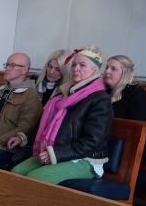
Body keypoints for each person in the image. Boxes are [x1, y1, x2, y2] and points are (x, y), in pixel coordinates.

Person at [12, 46, 113, 184]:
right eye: (74, 65)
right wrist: (23, 137)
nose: (76, 68)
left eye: (82, 65)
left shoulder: (100, 99)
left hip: (85, 160)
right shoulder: (65, 93)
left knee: (36, 177)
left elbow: (91, 142)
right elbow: (45, 124)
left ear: (95, 70)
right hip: (56, 151)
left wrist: (55, 154)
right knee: (16, 172)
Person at [104, 55, 146, 122]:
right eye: (106, 68)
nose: (107, 71)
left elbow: (138, 126)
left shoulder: (137, 94)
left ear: (125, 73)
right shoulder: (102, 91)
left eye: (113, 69)